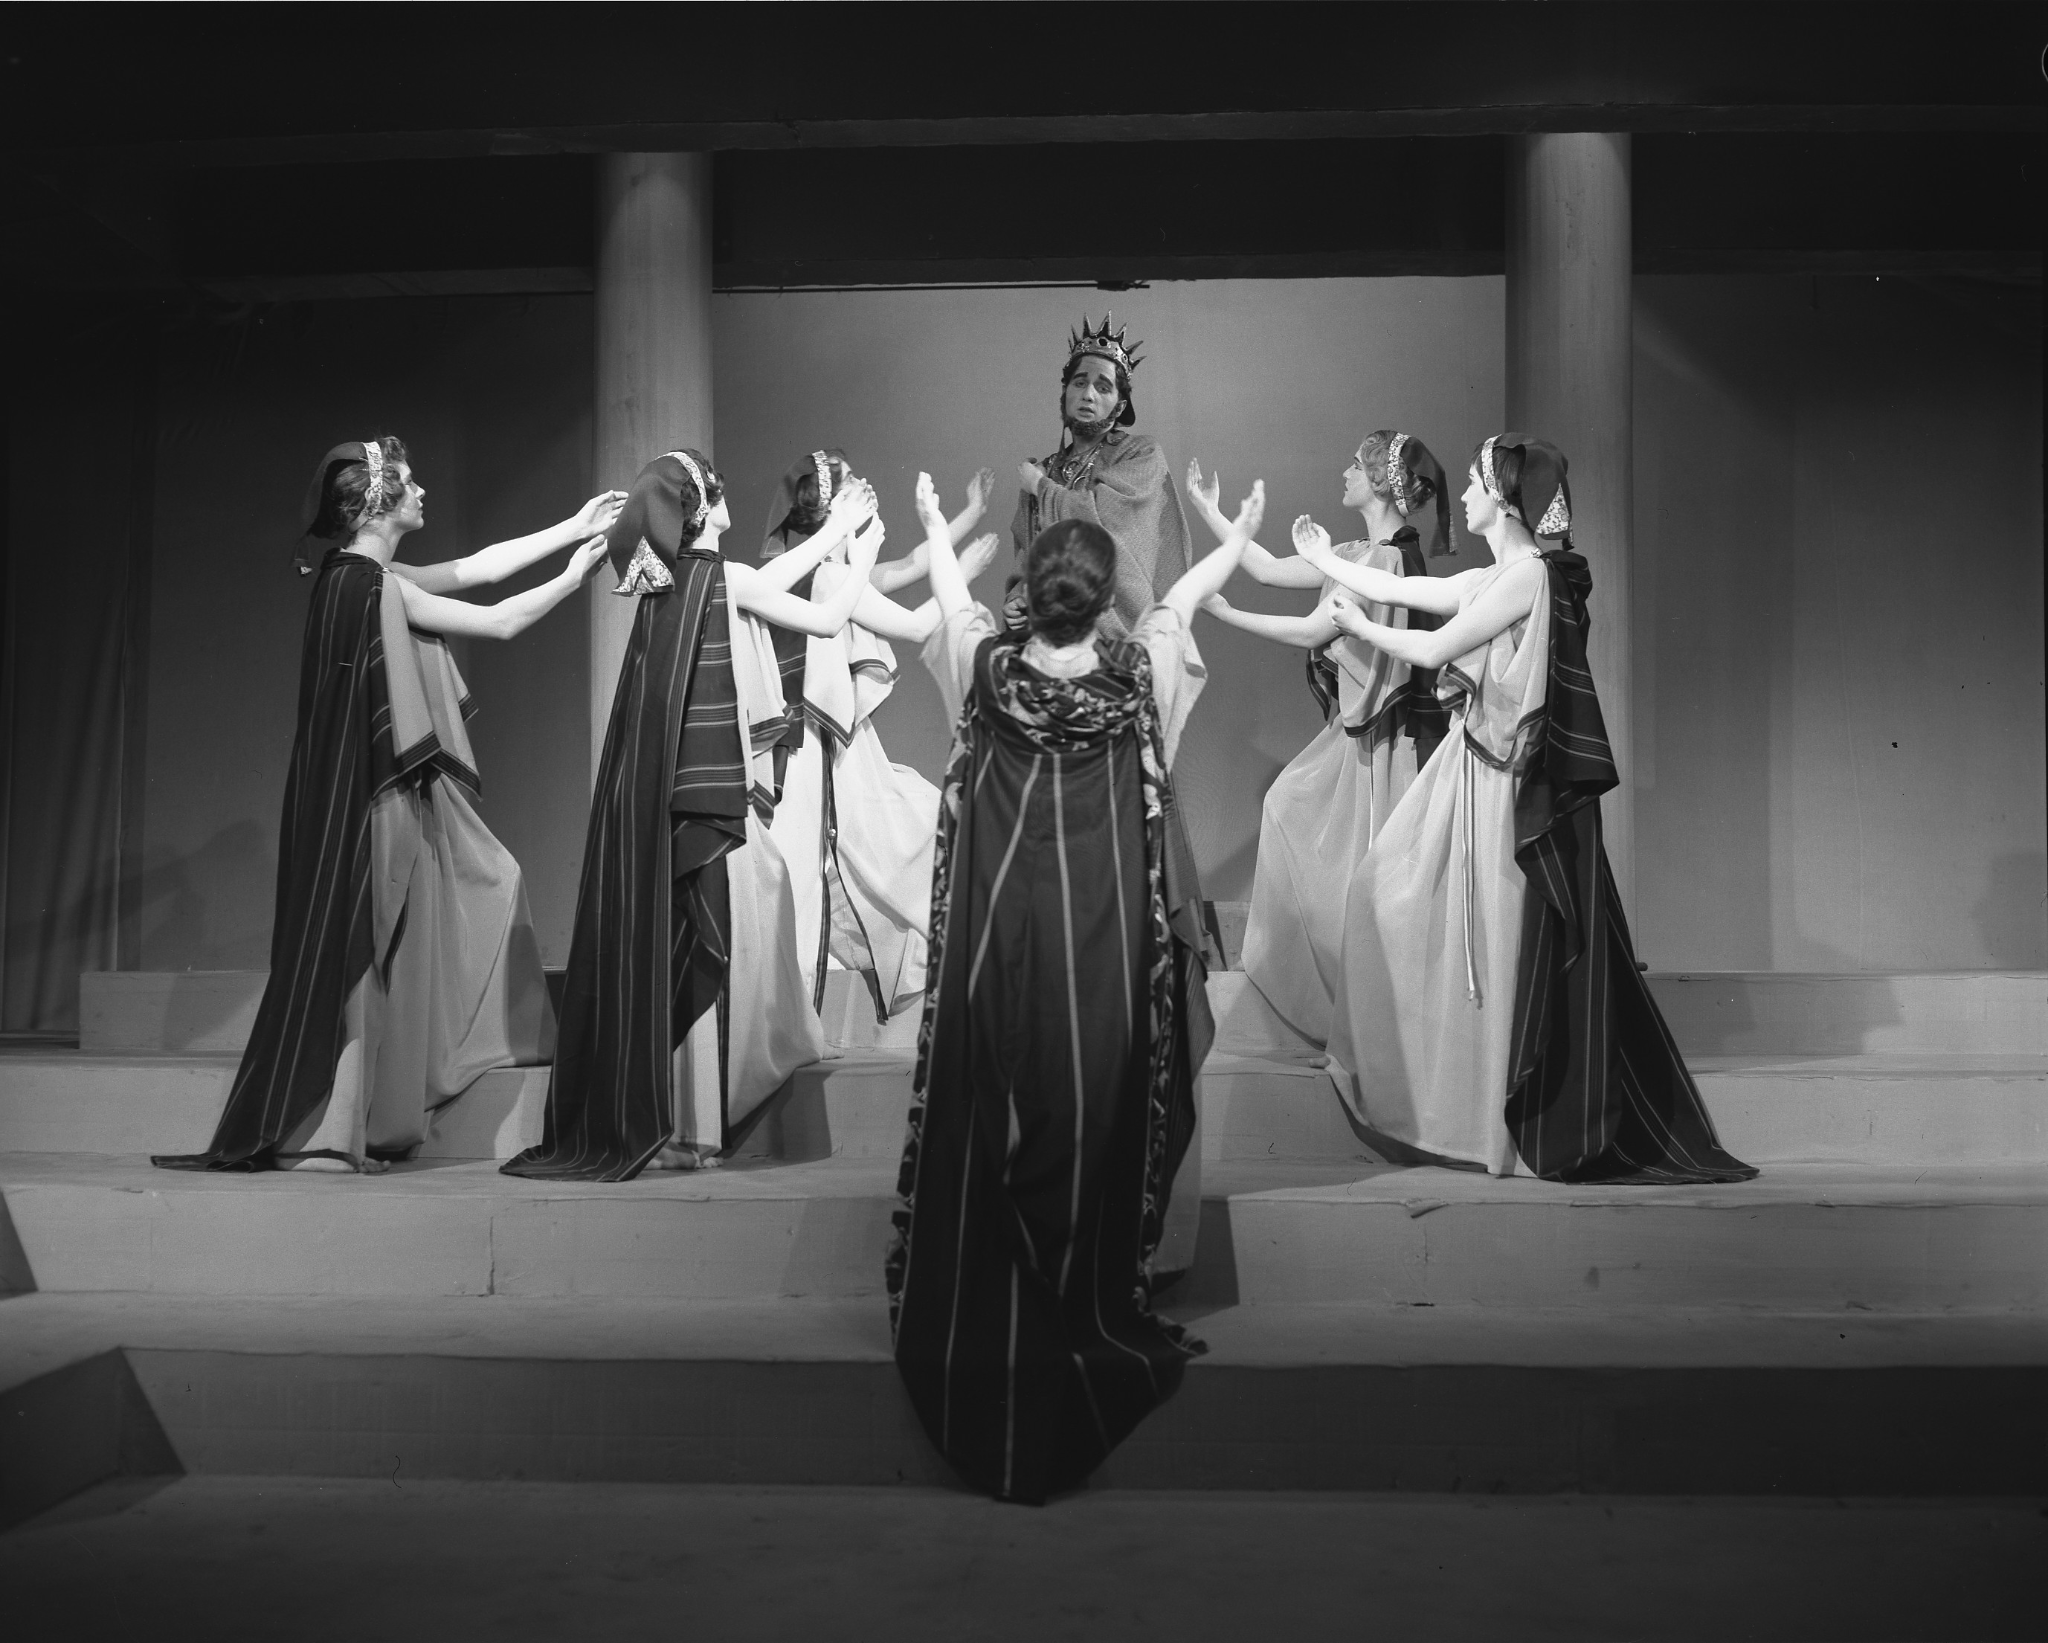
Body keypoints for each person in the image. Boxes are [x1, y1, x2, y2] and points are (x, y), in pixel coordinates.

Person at [888, 466, 1265, 1504]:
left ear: (1032, 593)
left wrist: (928, 521)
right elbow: (1180, 605)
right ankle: (1080, 1286)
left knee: (997, 1095)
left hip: (997, 948)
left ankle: (991, 1290)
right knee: (1089, 1104)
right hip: (1095, 952)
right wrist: (1234, 539)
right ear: (1104, 603)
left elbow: (950, 604)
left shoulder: (984, 673)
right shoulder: (1136, 678)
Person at [1303, 432, 1756, 1184]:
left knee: (1486, 940)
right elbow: (1429, 595)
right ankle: (1455, 1111)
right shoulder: (1502, 573)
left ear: (1507, 499)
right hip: (1470, 774)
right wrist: (1326, 563)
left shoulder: (1531, 579)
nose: (1467, 494)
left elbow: (1433, 644)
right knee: (1391, 897)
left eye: (1479, 482)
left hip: (1504, 791)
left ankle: (1496, 1127)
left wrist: (1355, 624)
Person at [155, 438, 617, 1174]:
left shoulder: (366, 577)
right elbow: (497, 620)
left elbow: (481, 568)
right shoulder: (371, 587)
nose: (424, 490)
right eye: (410, 484)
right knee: (360, 947)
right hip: (375, 797)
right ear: (377, 504)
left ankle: (356, 1120)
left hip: (369, 792)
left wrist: (573, 525)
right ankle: (328, 1133)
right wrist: (575, 574)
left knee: (418, 921)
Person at [503, 450, 886, 1181]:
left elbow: (766, 581)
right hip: (709, 807)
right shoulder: (718, 579)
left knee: (718, 922)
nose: (729, 491)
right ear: (703, 507)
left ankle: (691, 1122)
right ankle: (694, 1129)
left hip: (668, 807)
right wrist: (857, 537)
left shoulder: (674, 586)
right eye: (717, 485)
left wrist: (838, 530)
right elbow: (828, 614)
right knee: (729, 921)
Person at [1188, 431, 1454, 1042]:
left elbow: (1312, 633)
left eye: (1355, 465)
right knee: (1310, 829)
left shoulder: (1385, 559)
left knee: (1329, 839)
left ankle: (1347, 1009)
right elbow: (1266, 566)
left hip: (1379, 735)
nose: (1344, 472)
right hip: (1354, 728)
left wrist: (1227, 615)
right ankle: (1330, 1002)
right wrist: (1210, 509)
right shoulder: (1357, 550)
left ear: (1381, 482)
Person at [760, 452, 998, 1019]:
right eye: (851, 483)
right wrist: (962, 574)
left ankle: (798, 1009)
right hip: (820, 748)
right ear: (828, 507)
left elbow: (910, 565)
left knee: (873, 843)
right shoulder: (832, 574)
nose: (867, 485)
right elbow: (917, 625)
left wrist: (963, 517)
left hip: (829, 743)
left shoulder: (829, 565)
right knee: (890, 838)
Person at [1011, 314, 1192, 638]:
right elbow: (1030, 557)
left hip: (1114, 642)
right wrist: (1017, 598)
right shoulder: (1046, 469)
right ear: (1064, 392)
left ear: (1120, 406)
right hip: (1046, 640)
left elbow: (1104, 531)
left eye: (1103, 386)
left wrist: (1040, 487)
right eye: (1080, 383)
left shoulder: (1140, 453)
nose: (1089, 395)